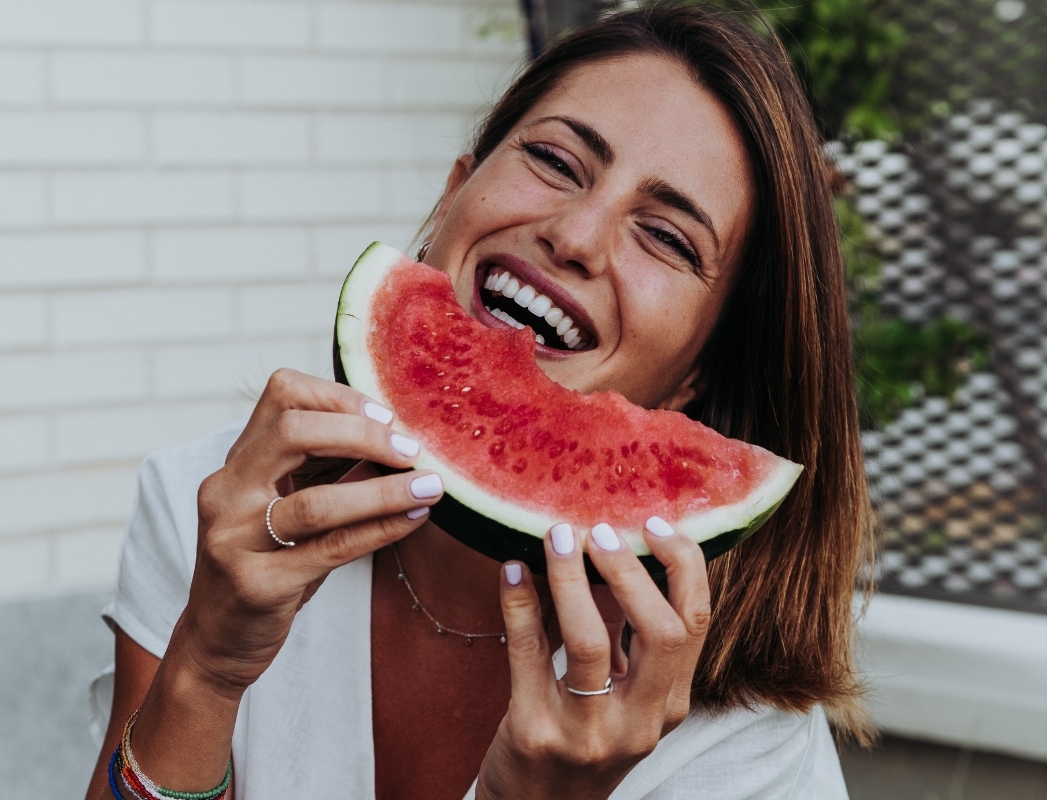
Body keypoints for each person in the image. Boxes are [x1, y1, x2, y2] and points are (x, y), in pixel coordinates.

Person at [85, 3, 874, 798]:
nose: (576, 235)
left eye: (667, 237)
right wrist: (205, 673)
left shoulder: (738, 730)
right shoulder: (223, 526)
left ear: (698, 372)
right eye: (558, 161)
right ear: (457, 193)